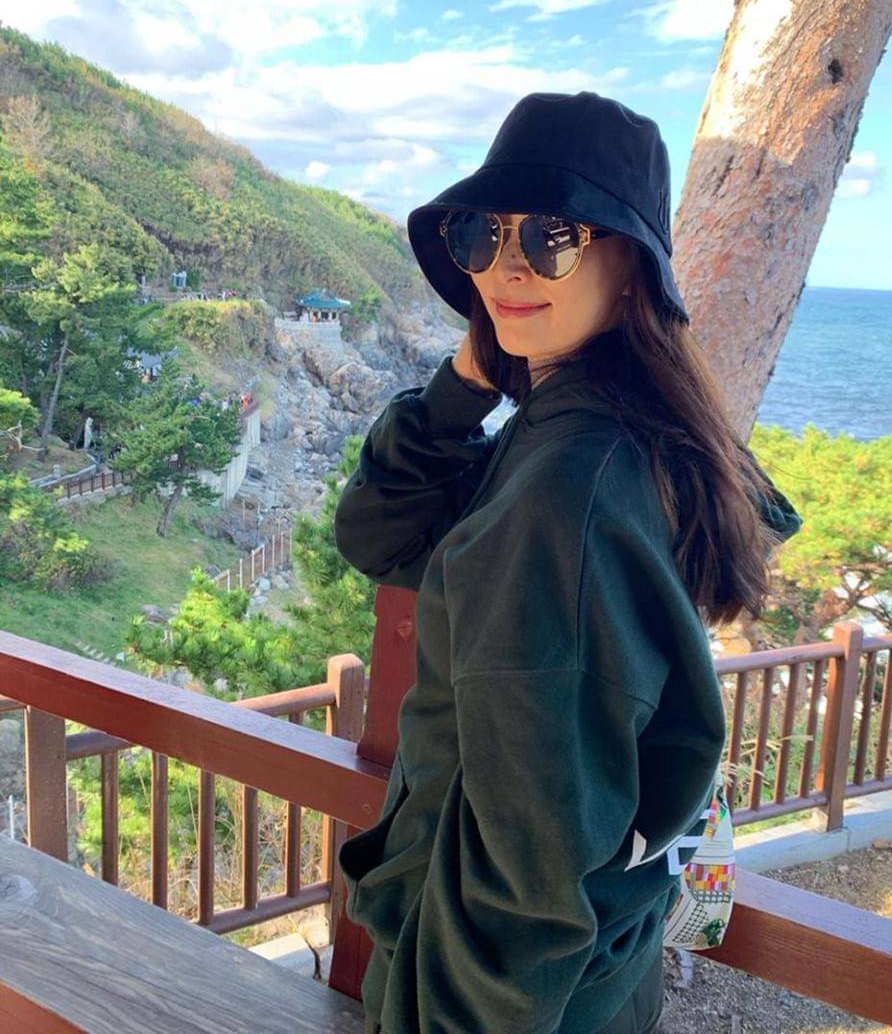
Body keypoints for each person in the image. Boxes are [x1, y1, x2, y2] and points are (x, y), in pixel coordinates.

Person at [334, 91, 803, 1034]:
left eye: (552, 236)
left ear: (631, 267)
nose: (507, 266)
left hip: (489, 997)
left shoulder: (567, 490)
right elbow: (381, 535)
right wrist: (466, 382)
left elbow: (529, 881)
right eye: (483, 234)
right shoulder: (616, 435)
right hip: (592, 982)